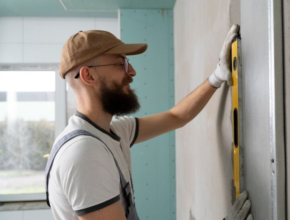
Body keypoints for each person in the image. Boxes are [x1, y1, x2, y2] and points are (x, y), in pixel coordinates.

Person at [45, 25, 252, 220]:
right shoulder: (85, 153)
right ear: (88, 75)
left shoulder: (112, 130)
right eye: (121, 63)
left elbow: (176, 117)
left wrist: (217, 76)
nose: (132, 71)